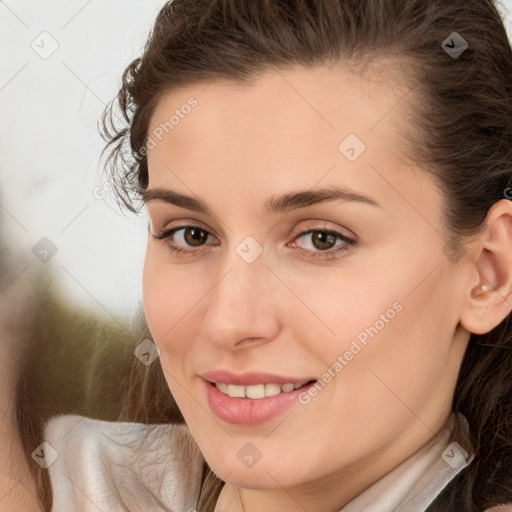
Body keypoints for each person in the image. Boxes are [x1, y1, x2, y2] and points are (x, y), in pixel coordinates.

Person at [37, 0, 512, 510]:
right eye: (191, 235)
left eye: (321, 239)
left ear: (489, 273)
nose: (228, 321)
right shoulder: (61, 478)